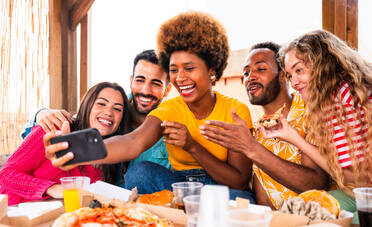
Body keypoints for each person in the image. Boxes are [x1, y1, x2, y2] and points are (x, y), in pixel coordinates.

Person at [45, 11, 255, 202]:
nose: (180, 78)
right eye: (174, 70)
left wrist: (192, 146)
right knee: (140, 172)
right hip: (179, 188)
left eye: (189, 68)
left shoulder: (235, 111)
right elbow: (132, 141)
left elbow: (238, 180)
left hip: (223, 190)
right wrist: (79, 151)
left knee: (243, 200)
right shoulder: (169, 110)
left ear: (212, 69)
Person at [200, 42, 328, 209]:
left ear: (283, 75)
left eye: (260, 69)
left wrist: (252, 149)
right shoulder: (258, 130)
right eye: (246, 73)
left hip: (306, 224)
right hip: (265, 226)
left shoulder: (309, 113)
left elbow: (316, 185)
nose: (250, 77)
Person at [262, 30, 372, 219]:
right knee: (303, 209)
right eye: (289, 75)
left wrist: (296, 140)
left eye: (299, 70)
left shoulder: (345, 98)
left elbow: (357, 178)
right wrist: (291, 136)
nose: (294, 82)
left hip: (364, 192)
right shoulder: (331, 99)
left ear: (323, 64)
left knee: (316, 220)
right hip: (360, 193)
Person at [21, 49, 172, 187]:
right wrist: (40, 114)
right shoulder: (110, 113)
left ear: (167, 90)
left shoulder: (171, 124)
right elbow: (81, 122)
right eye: (140, 80)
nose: (146, 90)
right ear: (131, 80)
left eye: (156, 83)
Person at [0, 82, 132, 205]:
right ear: (87, 105)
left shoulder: (111, 159)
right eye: (102, 104)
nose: (109, 112)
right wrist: (52, 188)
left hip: (59, 223)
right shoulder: (54, 128)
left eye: (117, 109)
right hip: (12, 214)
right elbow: (6, 174)